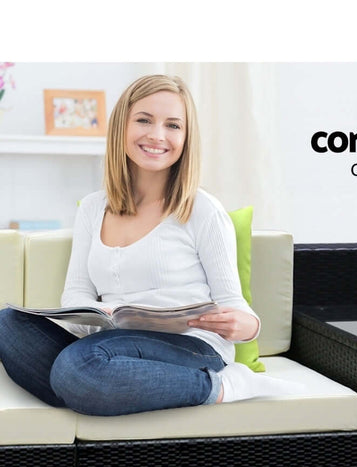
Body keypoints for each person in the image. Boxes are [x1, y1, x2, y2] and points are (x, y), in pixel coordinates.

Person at [0, 74, 301, 416]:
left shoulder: (202, 210)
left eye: (173, 125)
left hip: (192, 347)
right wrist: (100, 314)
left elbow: (237, 309)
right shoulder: (94, 208)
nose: (157, 135)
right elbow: (76, 294)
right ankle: (92, 388)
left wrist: (246, 325)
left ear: (186, 138)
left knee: (78, 367)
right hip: (112, 343)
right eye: (144, 120)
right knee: (8, 323)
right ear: (121, 127)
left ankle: (222, 385)